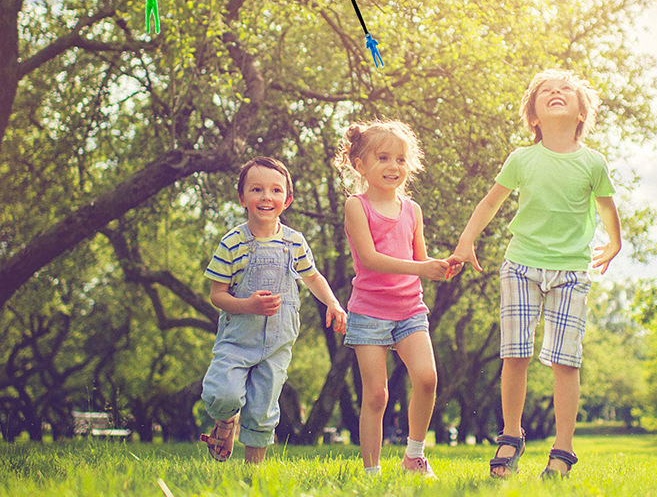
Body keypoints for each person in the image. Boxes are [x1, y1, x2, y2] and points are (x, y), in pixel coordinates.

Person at [450, 69, 621, 480]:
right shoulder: (522, 159)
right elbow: (490, 204)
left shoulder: (592, 162)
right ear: (534, 116)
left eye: (566, 91)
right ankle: (510, 436)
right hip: (521, 265)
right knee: (515, 353)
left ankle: (562, 449)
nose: (557, 92)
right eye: (547, 91)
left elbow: (607, 208)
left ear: (582, 113)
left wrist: (615, 242)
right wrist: (466, 241)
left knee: (566, 360)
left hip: (570, 272)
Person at [200, 156, 346, 464]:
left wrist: (332, 302)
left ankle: (252, 473)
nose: (266, 197)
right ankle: (225, 421)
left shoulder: (294, 242)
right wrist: (248, 305)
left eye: (275, 190)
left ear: (287, 199)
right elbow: (217, 295)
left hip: (278, 343)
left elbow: (313, 277)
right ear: (242, 198)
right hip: (237, 340)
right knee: (222, 395)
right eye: (256, 189)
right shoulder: (232, 243)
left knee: (263, 408)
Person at [334, 120, 451, 478]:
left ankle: (415, 456)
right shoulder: (357, 206)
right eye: (383, 158)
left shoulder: (412, 210)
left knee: (427, 379)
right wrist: (421, 269)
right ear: (360, 165)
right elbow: (369, 259)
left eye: (400, 160)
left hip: (409, 310)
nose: (393, 166)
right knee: (376, 395)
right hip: (369, 313)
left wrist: (437, 266)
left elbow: (420, 259)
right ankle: (372, 472)